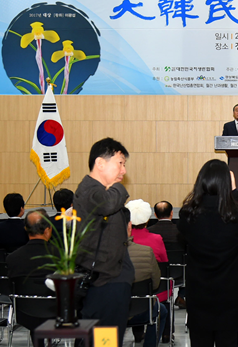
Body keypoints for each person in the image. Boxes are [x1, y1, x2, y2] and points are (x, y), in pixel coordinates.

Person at [178, 159, 238, 347]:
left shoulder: (188, 214)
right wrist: (235, 191)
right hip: (229, 297)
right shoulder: (237, 214)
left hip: (199, 296)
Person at [74, 138, 134, 347]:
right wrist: (118, 188)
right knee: (103, 341)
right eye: (120, 163)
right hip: (104, 280)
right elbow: (107, 204)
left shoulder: (100, 190)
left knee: (106, 339)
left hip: (112, 278)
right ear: (100, 163)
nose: (123, 171)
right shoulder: (90, 189)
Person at [6, 209, 56, 346]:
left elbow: (11, 289)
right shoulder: (61, 256)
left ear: (26, 230)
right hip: (56, 313)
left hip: (25, 313)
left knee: (36, 315)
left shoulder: (12, 258)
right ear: (48, 230)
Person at [125, 214, 168, 347]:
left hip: (109, 313)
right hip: (141, 310)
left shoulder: (102, 252)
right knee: (161, 310)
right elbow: (155, 283)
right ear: (128, 227)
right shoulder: (147, 251)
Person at [148, 200, 187, 311]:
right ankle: (181, 296)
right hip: (180, 273)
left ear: (155, 215)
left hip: (158, 273)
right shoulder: (181, 232)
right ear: (171, 213)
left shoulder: (149, 232)